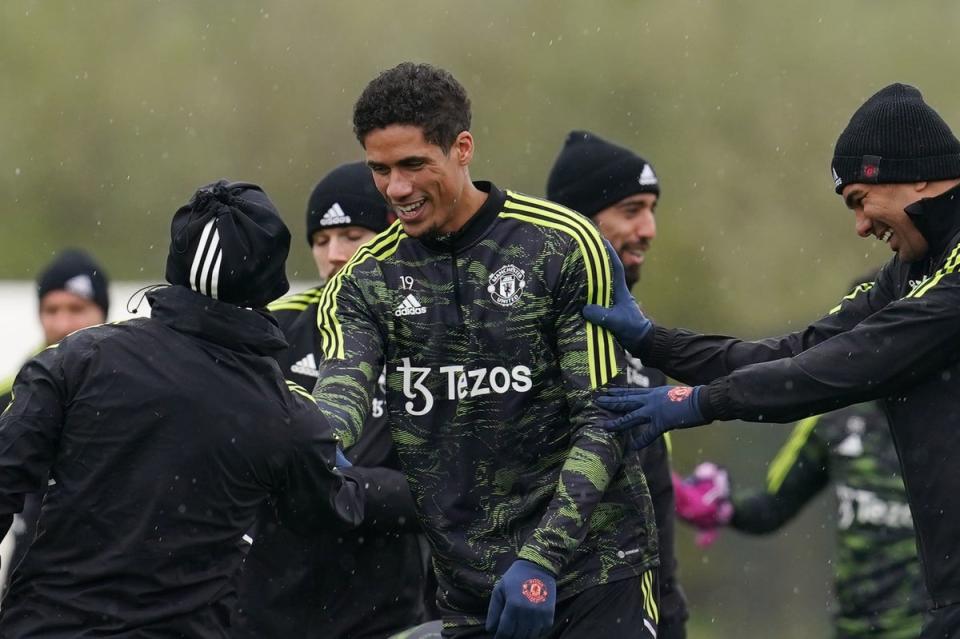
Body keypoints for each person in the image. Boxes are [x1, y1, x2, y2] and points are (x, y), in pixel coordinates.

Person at [585, 83, 960, 638]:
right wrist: (653, 341)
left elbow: (846, 366)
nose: (859, 226)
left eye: (860, 199)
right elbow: (796, 351)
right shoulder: (912, 270)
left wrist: (699, 403)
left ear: (918, 177)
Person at [314, 62, 660, 639]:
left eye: (413, 165)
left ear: (462, 148)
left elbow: (604, 418)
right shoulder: (364, 279)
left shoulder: (562, 244)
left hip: (593, 571)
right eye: (380, 170)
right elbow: (341, 390)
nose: (396, 189)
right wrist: (315, 448)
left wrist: (543, 558)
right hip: (472, 591)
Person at [0, 179, 363, 637]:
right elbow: (340, 509)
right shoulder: (284, 415)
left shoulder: (77, 359)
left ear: (175, 262)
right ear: (270, 280)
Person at [233, 162, 433, 638]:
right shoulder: (270, 333)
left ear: (391, 237)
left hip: (385, 614)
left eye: (351, 235)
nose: (335, 255)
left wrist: (336, 486)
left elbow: (442, 488)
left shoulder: (435, 335)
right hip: (269, 612)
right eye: (322, 241)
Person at [546, 130, 688, 638]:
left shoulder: (642, 349)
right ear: (580, 223)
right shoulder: (520, 332)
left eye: (651, 209)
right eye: (631, 209)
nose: (648, 229)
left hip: (628, 612)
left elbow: (654, 494)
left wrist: (669, 609)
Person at [0, 249, 111, 588]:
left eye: (77, 309)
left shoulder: (137, 387)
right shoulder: (11, 393)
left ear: (103, 312)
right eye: (51, 310)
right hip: (31, 581)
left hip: (116, 579)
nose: (63, 323)